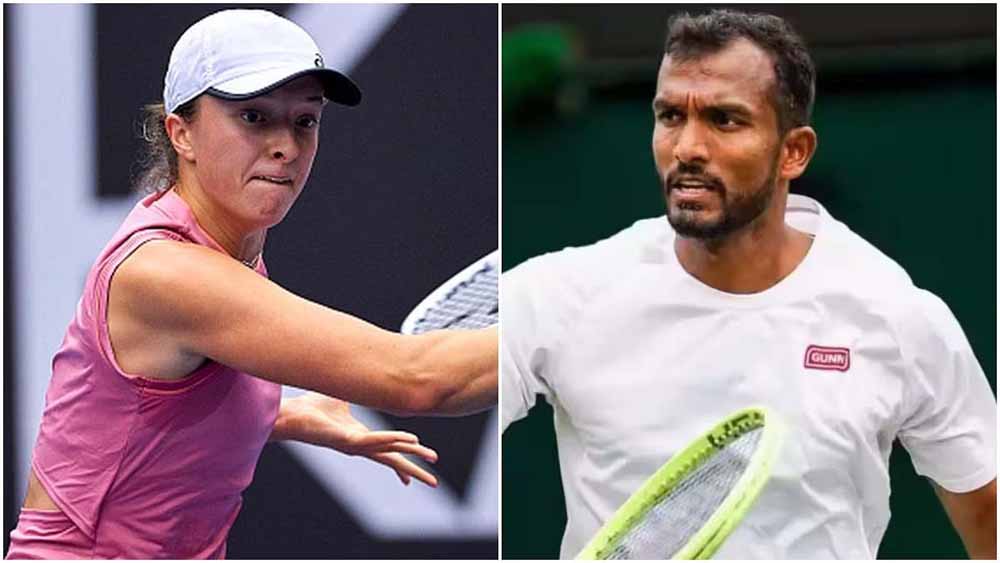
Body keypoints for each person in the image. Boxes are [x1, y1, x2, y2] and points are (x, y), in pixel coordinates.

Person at [501, 9, 995, 559]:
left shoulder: (896, 314)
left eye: (724, 120)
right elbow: (434, 375)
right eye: (670, 116)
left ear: (793, 152)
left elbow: (987, 509)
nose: (688, 147)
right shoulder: (565, 292)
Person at [7, 9, 496, 559]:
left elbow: (136, 410)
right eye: (254, 117)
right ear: (181, 133)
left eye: (305, 120)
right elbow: (418, 379)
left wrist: (280, 417)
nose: (286, 145)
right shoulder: (168, 274)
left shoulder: (214, 250)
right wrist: (553, 314)